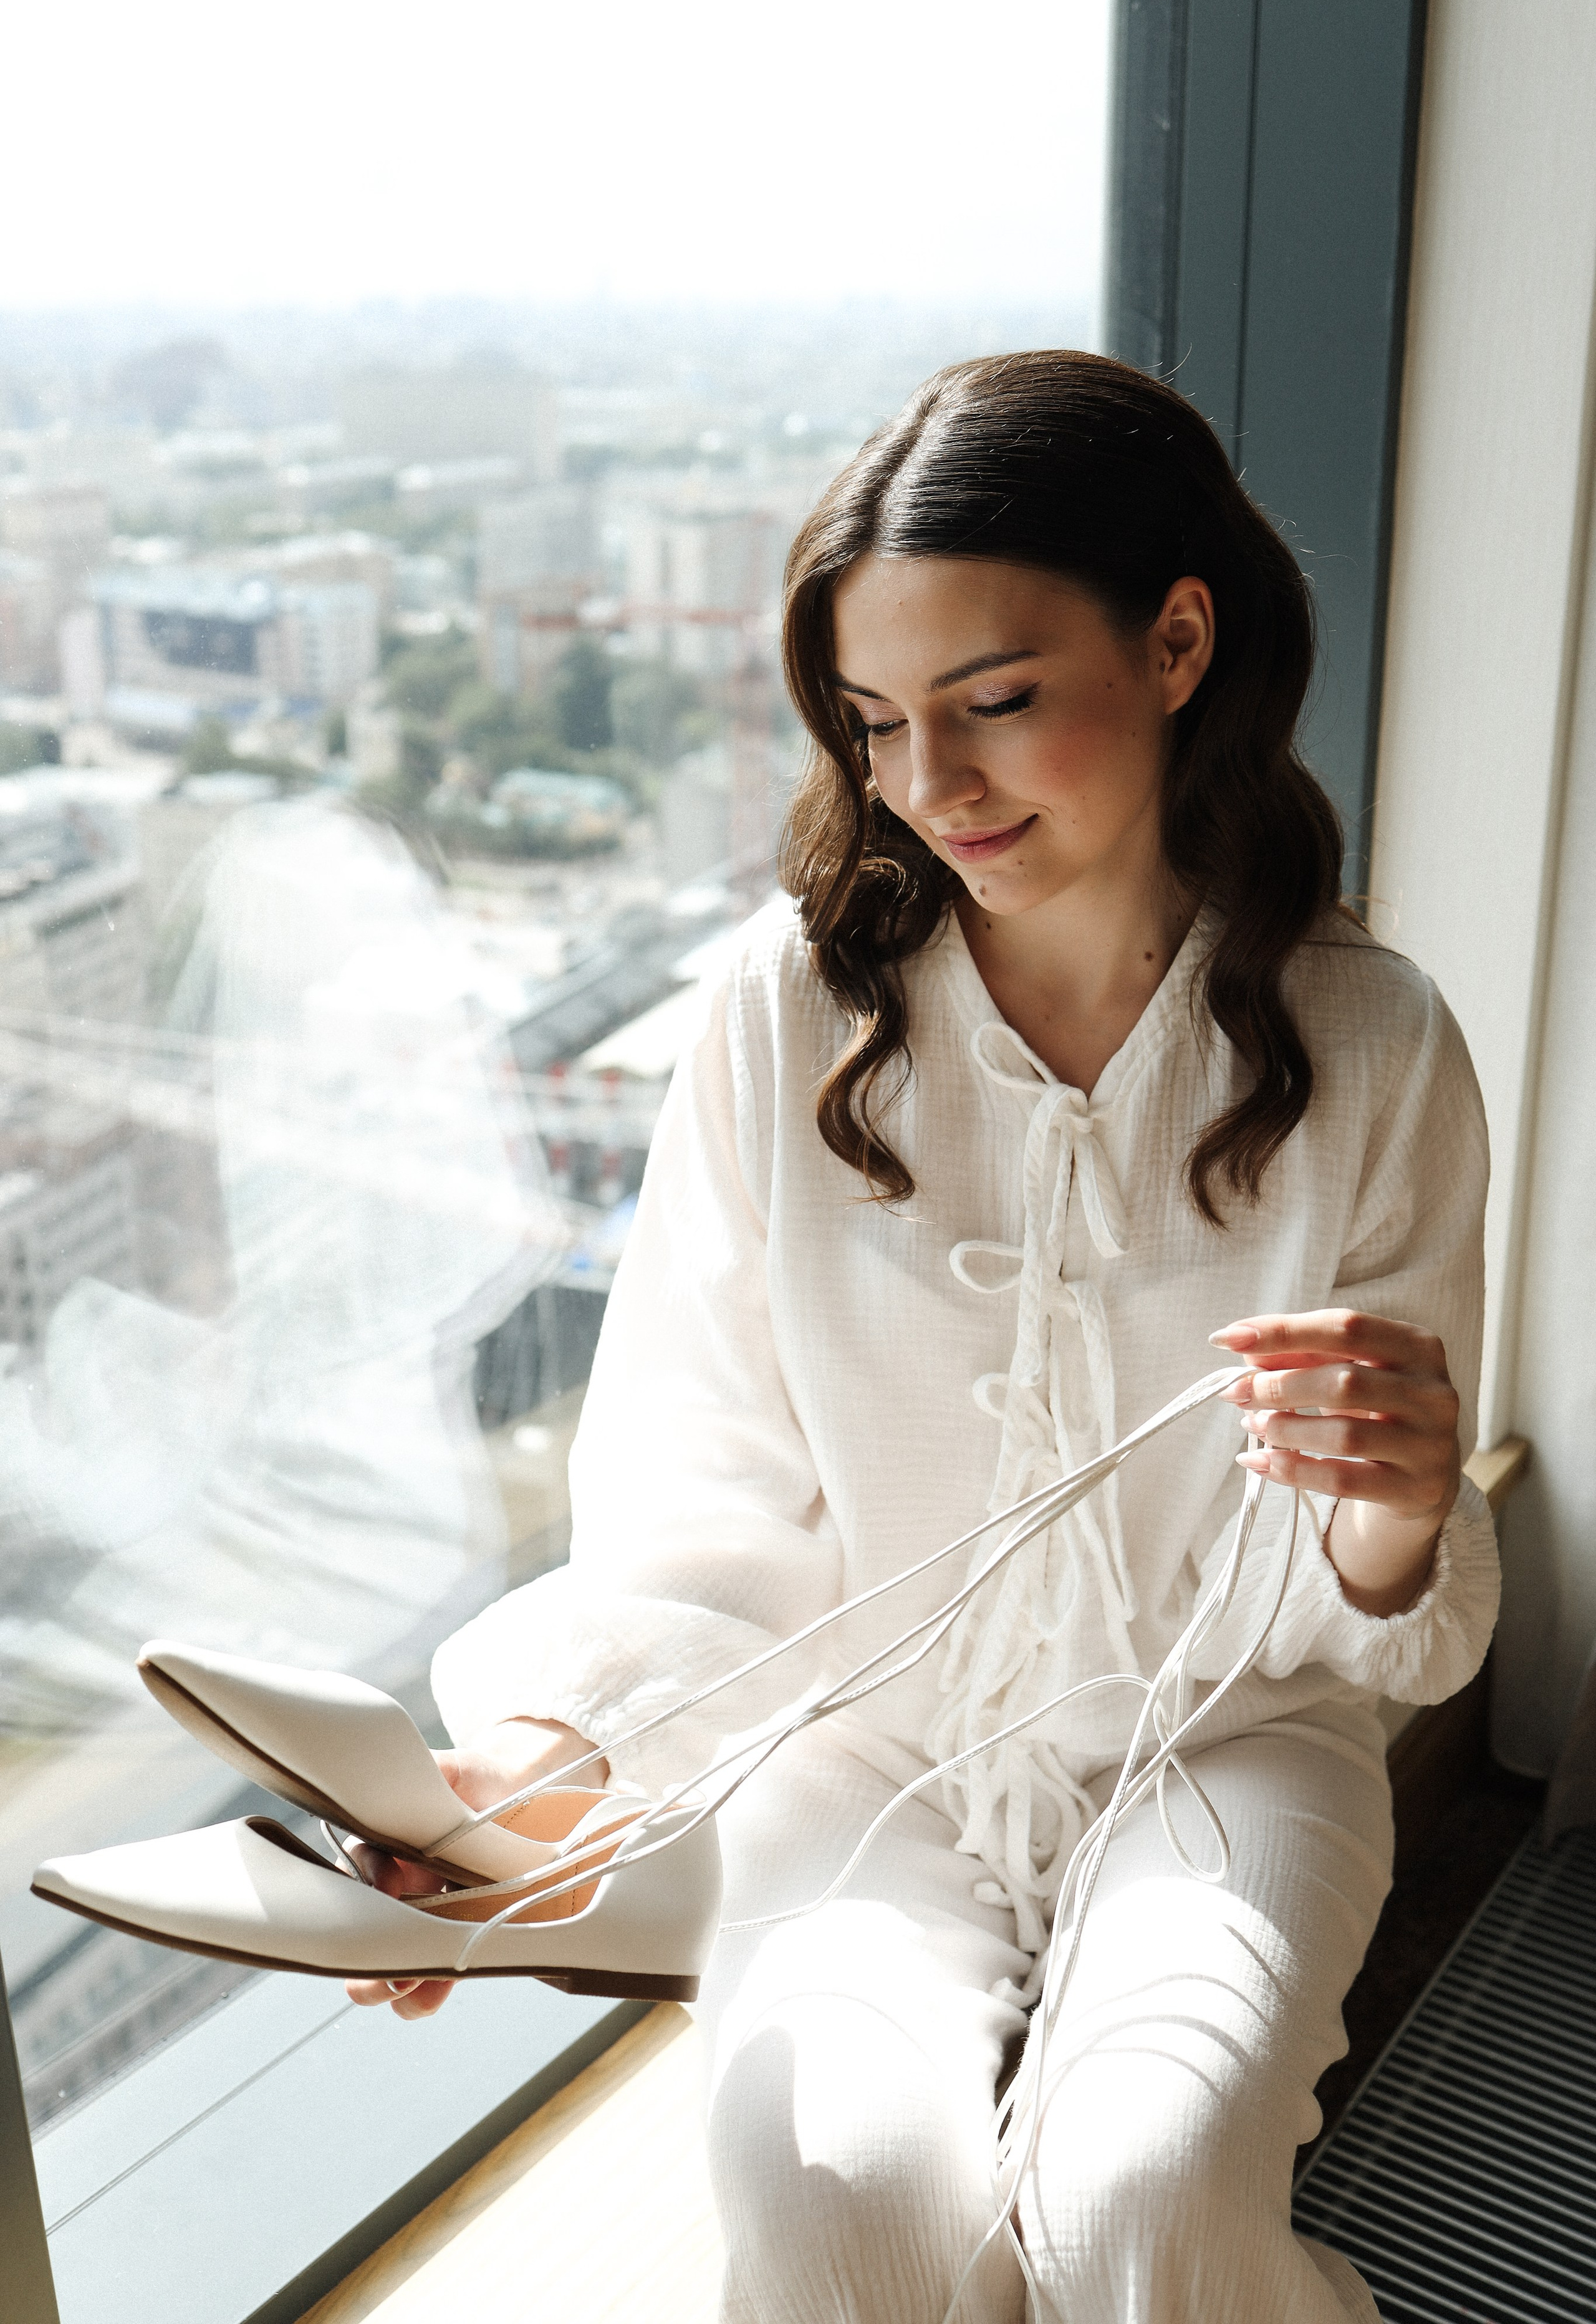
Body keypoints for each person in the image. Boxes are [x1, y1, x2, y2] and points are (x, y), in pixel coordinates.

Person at [350, 352, 1498, 2323]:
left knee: (1144, 2211)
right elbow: (698, 1499)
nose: (929, 786)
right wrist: (521, 1801)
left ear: (1179, 640)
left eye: (996, 704)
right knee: (844, 2223)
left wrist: (1391, 1508)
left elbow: (1378, 1605)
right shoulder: (779, 1016)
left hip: (1229, 1746)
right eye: (876, 723)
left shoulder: (1373, 1041)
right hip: (857, 1755)